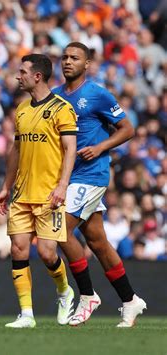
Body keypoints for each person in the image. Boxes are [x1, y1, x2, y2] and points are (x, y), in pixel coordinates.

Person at [53, 42, 146, 327]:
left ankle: (87, 294)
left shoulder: (97, 94)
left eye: (75, 58)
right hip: (67, 176)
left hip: (91, 174)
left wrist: (101, 146)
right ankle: (130, 300)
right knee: (98, 242)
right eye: (65, 57)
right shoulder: (55, 97)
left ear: (87, 64)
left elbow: (128, 128)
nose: (68, 61)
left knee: (60, 229)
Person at [0, 54, 78, 328]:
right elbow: (16, 150)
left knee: (47, 253)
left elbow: (70, 149)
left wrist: (63, 185)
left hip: (49, 195)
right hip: (21, 194)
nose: (18, 76)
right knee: (18, 249)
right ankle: (27, 314)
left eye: (23, 72)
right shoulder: (21, 109)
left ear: (37, 76)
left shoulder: (61, 109)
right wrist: (6, 186)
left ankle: (64, 291)